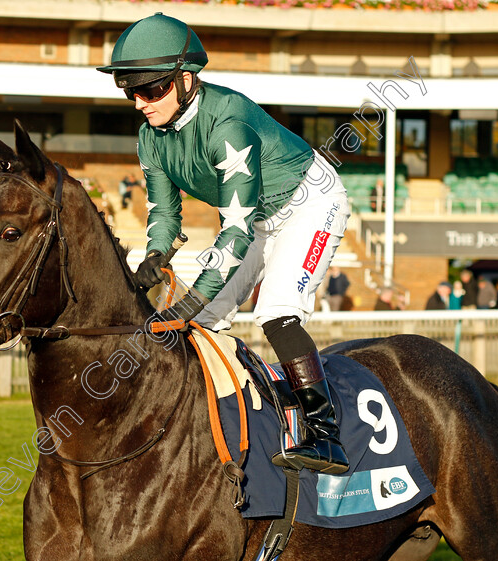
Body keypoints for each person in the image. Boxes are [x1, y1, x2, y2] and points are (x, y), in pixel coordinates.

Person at [98, 14, 350, 474]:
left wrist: (191, 298)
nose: (140, 102)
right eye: (130, 91)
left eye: (151, 90)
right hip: (252, 215)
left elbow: (234, 229)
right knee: (202, 324)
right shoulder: (149, 137)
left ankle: (326, 433)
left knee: (275, 312)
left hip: (307, 203)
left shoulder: (228, 122)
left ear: (186, 80)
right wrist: (156, 255)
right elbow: (164, 213)